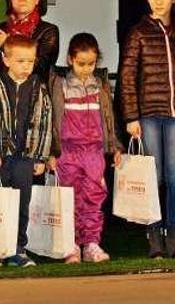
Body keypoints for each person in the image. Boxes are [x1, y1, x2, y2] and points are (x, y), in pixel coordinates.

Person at [120, 0, 175, 259]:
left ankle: (173, 234)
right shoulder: (138, 32)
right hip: (148, 115)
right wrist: (131, 117)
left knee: (174, 176)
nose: (159, 1)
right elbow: (128, 77)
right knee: (153, 176)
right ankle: (153, 235)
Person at [0, 34, 52, 268]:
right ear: (6, 60)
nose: (26, 67)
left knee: (22, 203)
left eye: (30, 61)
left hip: (25, 159)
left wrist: (40, 156)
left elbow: (44, 123)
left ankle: (17, 248)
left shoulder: (38, 88)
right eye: (20, 61)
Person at [47, 33, 123, 263]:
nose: (86, 69)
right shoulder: (59, 85)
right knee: (68, 199)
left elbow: (109, 119)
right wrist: (51, 151)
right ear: (70, 60)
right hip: (68, 152)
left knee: (93, 197)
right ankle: (71, 245)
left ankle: (91, 243)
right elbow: (52, 120)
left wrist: (114, 146)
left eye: (91, 64)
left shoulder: (100, 86)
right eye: (81, 64)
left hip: (94, 153)